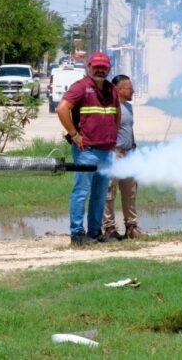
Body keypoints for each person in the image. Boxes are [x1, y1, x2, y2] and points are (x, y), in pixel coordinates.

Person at [57, 52, 120, 246]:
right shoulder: (81, 87)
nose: (100, 70)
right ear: (89, 67)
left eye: (104, 67)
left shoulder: (111, 89)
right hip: (87, 151)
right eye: (96, 67)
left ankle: (95, 231)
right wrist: (74, 135)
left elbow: (116, 114)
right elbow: (62, 109)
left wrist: (113, 137)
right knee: (81, 193)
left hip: (106, 151)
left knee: (100, 194)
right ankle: (77, 234)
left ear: (109, 69)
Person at [103, 75, 145, 240]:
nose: (132, 91)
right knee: (109, 193)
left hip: (129, 154)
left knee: (130, 192)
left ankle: (131, 227)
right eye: (129, 88)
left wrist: (133, 147)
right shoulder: (109, 107)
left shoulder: (128, 107)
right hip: (114, 154)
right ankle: (109, 228)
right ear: (118, 90)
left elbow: (129, 129)